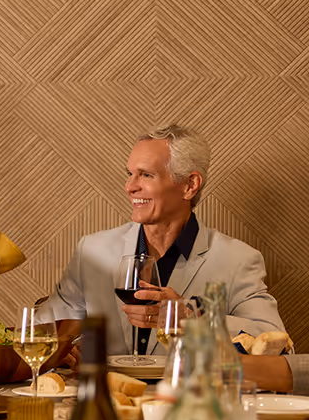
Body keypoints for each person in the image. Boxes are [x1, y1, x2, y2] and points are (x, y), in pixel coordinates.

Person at [42, 124, 284, 356]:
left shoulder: (238, 260)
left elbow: (278, 342)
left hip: (188, 396)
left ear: (190, 185)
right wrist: (71, 348)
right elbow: (44, 329)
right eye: (130, 174)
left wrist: (192, 317)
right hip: (108, 395)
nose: (130, 187)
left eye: (146, 175)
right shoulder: (92, 251)